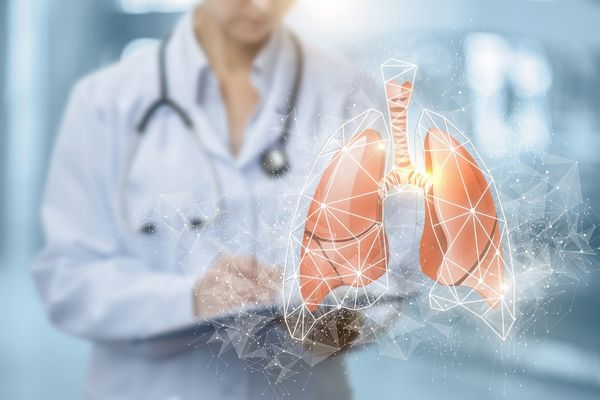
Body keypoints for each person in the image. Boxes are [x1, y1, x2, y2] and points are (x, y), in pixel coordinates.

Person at [32, 0, 381, 399]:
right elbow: (69, 281)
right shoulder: (106, 101)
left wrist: (345, 322)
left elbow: (389, 264)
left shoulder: (350, 94)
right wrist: (188, 301)